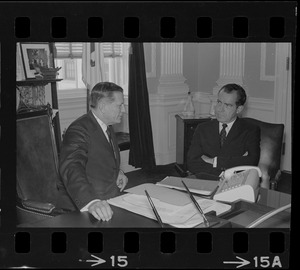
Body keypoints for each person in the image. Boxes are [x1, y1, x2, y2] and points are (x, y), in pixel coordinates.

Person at [56, 82, 128, 221]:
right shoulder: (79, 130)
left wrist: (118, 172)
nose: (124, 110)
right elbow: (71, 166)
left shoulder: (106, 125)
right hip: (81, 210)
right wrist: (91, 202)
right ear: (102, 107)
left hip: (108, 201)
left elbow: (100, 157)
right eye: (120, 105)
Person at [187, 83, 260, 180]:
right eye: (219, 102)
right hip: (205, 182)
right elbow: (192, 162)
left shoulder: (250, 130)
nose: (219, 109)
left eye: (227, 105)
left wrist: (214, 161)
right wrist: (223, 174)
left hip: (235, 184)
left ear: (239, 109)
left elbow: (251, 161)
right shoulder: (202, 128)